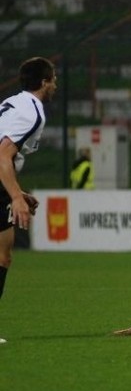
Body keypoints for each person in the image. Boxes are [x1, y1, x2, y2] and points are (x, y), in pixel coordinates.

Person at [0, 56, 57, 344]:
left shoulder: (14, 103)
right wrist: (15, 197)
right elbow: (2, 154)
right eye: (53, 79)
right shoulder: (30, 111)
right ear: (44, 82)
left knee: (4, 253)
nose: (55, 84)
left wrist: (17, 193)